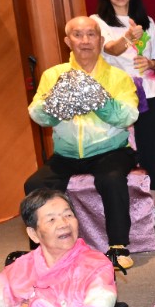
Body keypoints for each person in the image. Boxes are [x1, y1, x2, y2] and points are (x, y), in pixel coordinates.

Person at [25, 16, 140, 272]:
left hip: (110, 150)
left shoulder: (118, 77)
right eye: (78, 35)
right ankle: (43, 249)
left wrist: (100, 101)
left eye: (91, 35)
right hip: (66, 154)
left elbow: (129, 116)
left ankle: (118, 246)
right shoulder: (53, 75)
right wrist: (55, 106)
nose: (85, 41)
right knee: (34, 184)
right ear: (68, 41)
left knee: (111, 178)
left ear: (100, 39)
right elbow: (37, 114)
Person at [94, 0, 155, 200]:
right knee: (123, 153)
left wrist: (151, 63)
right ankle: (126, 207)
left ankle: (151, 209)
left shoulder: (147, 22)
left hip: (149, 94)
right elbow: (110, 49)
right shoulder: (97, 22)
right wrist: (128, 37)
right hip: (117, 97)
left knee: (154, 153)